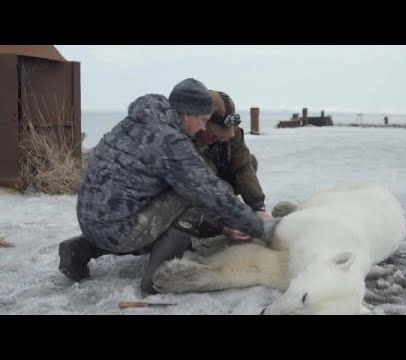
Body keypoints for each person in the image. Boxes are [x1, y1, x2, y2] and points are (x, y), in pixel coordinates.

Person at [58, 78, 278, 294]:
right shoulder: (169, 139)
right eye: (203, 119)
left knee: (178, 195)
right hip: (118, 228)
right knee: (191, 195)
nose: (203, 126)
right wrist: (260, 229)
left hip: (92, 220)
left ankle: (82, 248)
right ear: (187, 114)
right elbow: (208, 190)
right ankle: (160, 276)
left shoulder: (139, 121)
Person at [193, 90, 273, 241]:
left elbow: (243, 166)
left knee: (251, 160)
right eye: (214, 131)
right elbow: (192, 192)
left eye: (224, 132)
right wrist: (221, 226)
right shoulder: (184, 140)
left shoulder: (233, 132)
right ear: (202, 120)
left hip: (217, 181)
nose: (218, 136)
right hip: (193, 192)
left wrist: (258, 208)